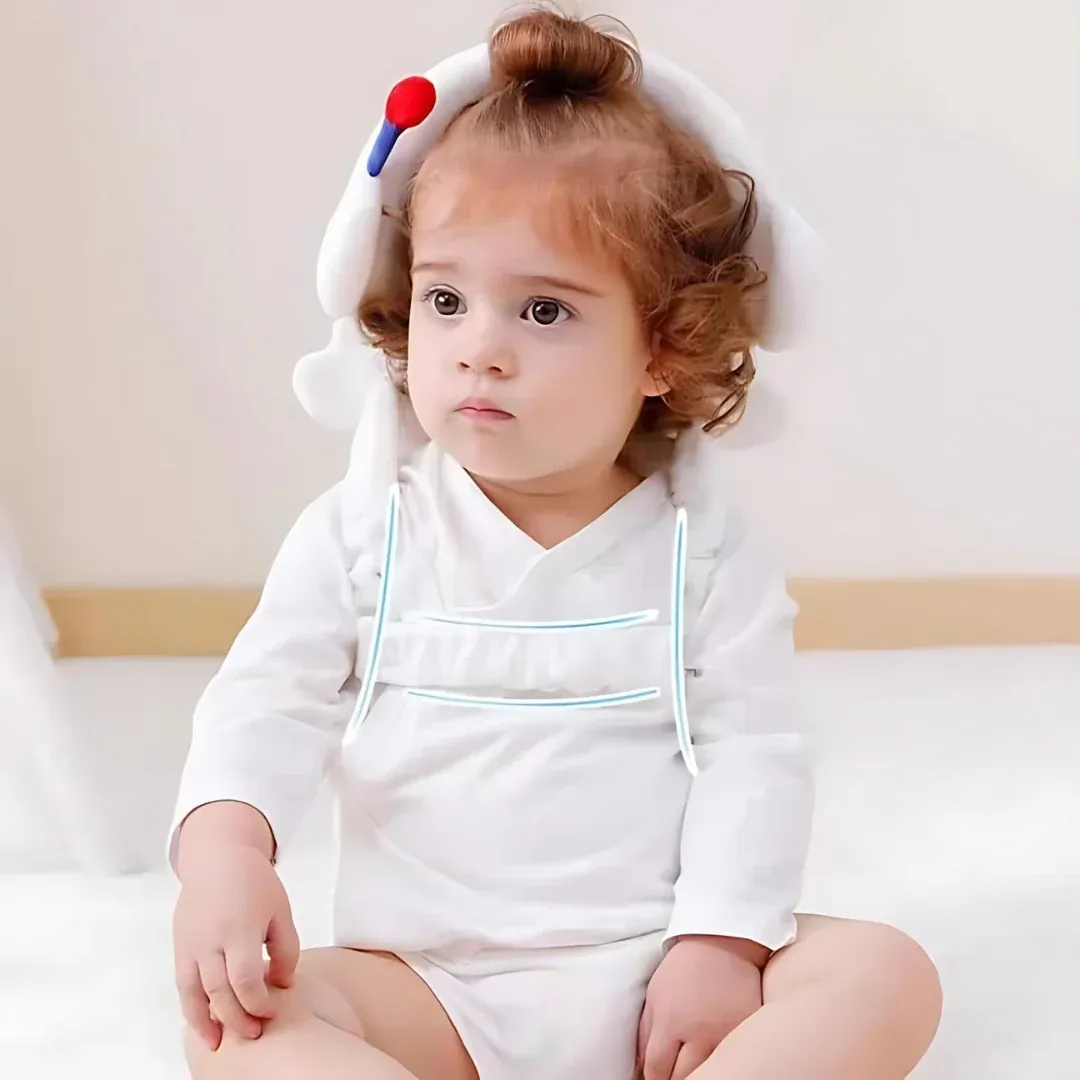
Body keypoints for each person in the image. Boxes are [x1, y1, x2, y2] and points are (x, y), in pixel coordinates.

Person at [169, 9, 942, 1079]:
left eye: (543, 312)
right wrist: (225, 850)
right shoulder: (362, 531)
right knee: (242, 1028)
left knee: (884, 972)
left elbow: (755, 752)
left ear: (663, 348)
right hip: (424, 985)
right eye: (447, 299)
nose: (480, 349)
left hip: (657, 982)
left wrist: (720, 944)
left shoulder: (704, 550)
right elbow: (265, 703)